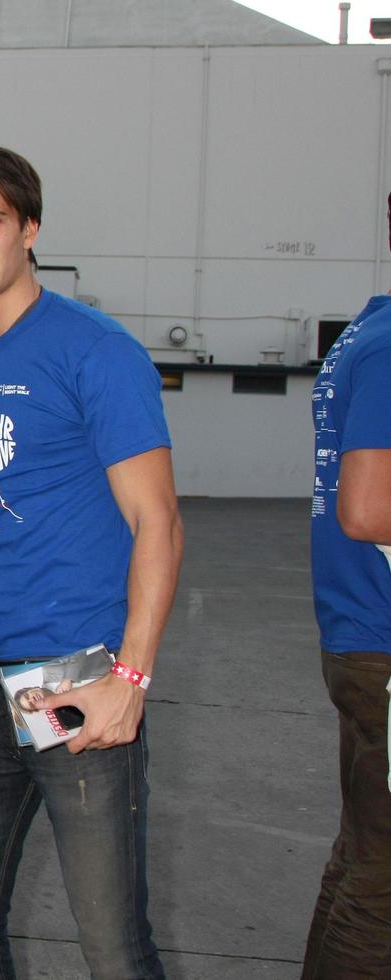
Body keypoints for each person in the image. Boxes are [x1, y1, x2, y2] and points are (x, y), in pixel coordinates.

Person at [0, 145, 182, 979]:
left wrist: (130, 680)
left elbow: (158, 522)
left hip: (77, 680)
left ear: (30, 229)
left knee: (110, 942)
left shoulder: (93, 350)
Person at [301, 194, 391, 980]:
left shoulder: (367, 329)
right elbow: (367, 507)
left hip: (360, 632)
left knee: (361, 856)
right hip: (385, 642)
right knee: (383, 883)